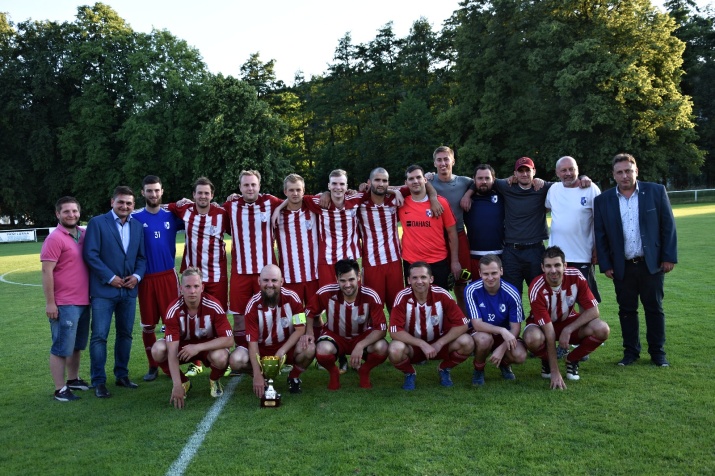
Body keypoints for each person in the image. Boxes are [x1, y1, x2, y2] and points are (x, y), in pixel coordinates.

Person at [594, 153, 677, 367]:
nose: (624, 176)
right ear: (613, 175)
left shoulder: (655, 192)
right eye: (619, 172)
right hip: (623, 267)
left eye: (628, 171)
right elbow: (600, 235)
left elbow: (668, 227)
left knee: (654, 309)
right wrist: (606, 264)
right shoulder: (603, 200)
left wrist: (668, 257)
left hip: (652, 264)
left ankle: (658, 353)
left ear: (636, 171)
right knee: (627, 311)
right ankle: (631, 352)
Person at [83, 186, 146, 398]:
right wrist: (110, 278)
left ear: (133, 205)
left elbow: (141, 258)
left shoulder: (137, 226)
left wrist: (136, 276)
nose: (125, 206)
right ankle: (98, 381)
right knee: (99, 336)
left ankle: (122, 375)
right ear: (112, 202)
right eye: (121, 202)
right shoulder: (97, 223)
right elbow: (91, 255)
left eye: (129, 203)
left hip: (128, 292)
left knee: (125, 335)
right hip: (103, 292)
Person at [522, 246, 610, 389]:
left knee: (602, 329)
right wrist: (555, 371)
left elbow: (594, 311)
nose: (553, 270)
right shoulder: (536, 287)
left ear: (565, 265)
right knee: (532, 338)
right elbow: (549, 331)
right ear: (542, 268)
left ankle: (572, 359)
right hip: (542, 327)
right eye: (548, 266)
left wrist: (568, 330)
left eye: (557, 265)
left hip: (568, 321)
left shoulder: (576, 276)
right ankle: (547, 361)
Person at [168, 177, 229, 377]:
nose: (203, 196)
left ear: (212, 195)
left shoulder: (222, 213)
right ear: (193, 195)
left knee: (216, 318)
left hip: (216, 276)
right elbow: (158, 206)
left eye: (207, 193)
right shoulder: (184, 209)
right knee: (188, 317)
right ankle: (195, 360)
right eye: (199, 193)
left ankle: (220, 360)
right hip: (191, 278)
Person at [151, 267, 233, 408]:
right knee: (158, 350)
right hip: (183, 349)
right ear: (181, 288)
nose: (192, 291)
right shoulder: (173, 310)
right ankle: (184, 382)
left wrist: (198, 347)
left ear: (202, 287)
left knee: (222, 357)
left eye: (196, 286)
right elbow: (172, 351)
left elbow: (229, 339)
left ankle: (214, 379)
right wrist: (176, 384)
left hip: (207, 348)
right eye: (188, 287)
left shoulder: (214, 305)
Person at [228, 264, 316, 397]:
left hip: (286, 348)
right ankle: (262, 376)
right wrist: (257, 375)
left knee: (309, 348)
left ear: (281, 281)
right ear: (259, 281)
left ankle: (294, 377)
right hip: (262, 349)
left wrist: (281, 351)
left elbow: (300, 328)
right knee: (235, 360)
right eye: (266, 280)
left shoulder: (293, 297)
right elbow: (252, 343)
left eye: (274, 280)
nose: (270, 284)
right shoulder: (252, 305)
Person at [388, 262, 474, 390]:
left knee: (467, 342)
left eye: (423, 277)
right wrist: (421, 344)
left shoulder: (442, 294)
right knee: (395, 349)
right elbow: (394, 331)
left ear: (431, 279)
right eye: (415, 278)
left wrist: (439, 343)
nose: (419, 281)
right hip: (413, 346)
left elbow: (462, 325)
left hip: (439, 345)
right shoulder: (402, 297)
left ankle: (444, 369)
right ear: (409, 280)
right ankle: (410, 373)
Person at [304, 259, 388, 390]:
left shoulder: (370, 295)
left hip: (362, 336)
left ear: (359, 277)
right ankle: (334, 372)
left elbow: (382, 329)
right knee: (321, 350)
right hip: (335, 336)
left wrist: (360, 345)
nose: (347, 285)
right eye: (342, 281)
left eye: (351, 280)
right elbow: (309, 311)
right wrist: (309, 332)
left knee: (382, 347)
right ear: (337, 278)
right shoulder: (326, 292)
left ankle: (364, 370)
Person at [223, 170, 284, 350]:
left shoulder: (270, 202)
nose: (250, 188)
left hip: (266, 273)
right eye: (246, 185)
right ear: (240, 187)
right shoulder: (230, 205)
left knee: (271, 314)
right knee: (239, 317)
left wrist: (279, 209)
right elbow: (208, 208)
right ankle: (242, 356)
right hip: (240, 272)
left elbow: (296, 198)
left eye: (253, 184)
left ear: (259, 186)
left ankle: (272, 353)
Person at [132, 175, 184, 382]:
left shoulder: (172, 215)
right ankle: (153, 365)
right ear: (142, 193)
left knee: (175, 321)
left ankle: (193, 363)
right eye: (149, 191)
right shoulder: (135, 218)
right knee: (148, 325)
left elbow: (198, 214)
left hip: (168, 276)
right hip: (146, 279)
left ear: (162, 192)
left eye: (157, 190)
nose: (153, 194)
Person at [41, 197, 91, 401]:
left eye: (74, 211)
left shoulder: (84, 234)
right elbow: (46, 272)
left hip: (84, 301)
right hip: (64, 302)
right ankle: (60, 389)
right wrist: (51, 303)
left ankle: (73, 379)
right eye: (66, 212)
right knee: (61, 347)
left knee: (77, 345)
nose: (71, 215)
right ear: (58, 214)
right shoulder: (54, 238)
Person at [464, 254, 526, 386]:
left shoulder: (512, 292)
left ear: (501, 271)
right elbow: (477, 324)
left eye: (494, 273)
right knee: (484, 339)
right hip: (481, 333)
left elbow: (515, 328)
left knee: (520, 355)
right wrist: (502, 330)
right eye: (486, 274)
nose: (490, 278)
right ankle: (479, 369)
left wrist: (502, 348)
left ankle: (504, 364)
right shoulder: (471, 290)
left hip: (503, 336)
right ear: (480, 273)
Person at [546, 156, 601, 301]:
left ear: (577, 170)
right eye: (563, 170)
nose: (568, 173)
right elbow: (543, 208)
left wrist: (597, 247)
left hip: (582, 255)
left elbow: (599, 221)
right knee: (558, 301)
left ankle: (589, 324)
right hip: (556, 257)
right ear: (557, 173)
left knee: (586, 301)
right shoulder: (553, 189)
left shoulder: (591, 189)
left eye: (571, 169)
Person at [399, 165, 460, 290]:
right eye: (411, 179)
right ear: (406, 183)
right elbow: (380, 189)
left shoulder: (440, 203)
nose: (415, 181)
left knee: (440, 303)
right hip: (411, 262)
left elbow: (452, 234)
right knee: (415, 304)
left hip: (437, 262)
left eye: (418, 177)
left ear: (425, 180)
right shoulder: (401, 203)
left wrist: (454, 261)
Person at [426, 146, 474, 308]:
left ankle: (465, 321)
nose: (443, 163)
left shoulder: (464, 182)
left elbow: (482, 181)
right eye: (439, 160)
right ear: (434, 163)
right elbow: (406, 186)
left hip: (459, 237)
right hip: (436, 239)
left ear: (453, 161)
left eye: (446, 159)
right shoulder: (428, 181)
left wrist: (468, 194)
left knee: (462, 282)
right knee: (438, 284)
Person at [357, 168, 404, 311]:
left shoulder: (394, 200)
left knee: (397, 307)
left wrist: (394, 191)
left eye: (384, 181)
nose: (381, 183)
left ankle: (399, 333)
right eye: (377, 180)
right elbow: (338, 194)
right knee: (373, 308)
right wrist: (327, 193)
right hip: (372, 264)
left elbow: (419, 184)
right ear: (369, 182)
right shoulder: (360, 202)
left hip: (394, 262)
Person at [463, 164, 505, 278]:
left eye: (487, 178)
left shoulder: (502, 196)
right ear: (474, 180)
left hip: (499, 255)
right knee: (477, 293)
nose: (484, 181)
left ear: (494, 179)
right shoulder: (465, 199)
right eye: (480, 178)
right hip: (475, 256)